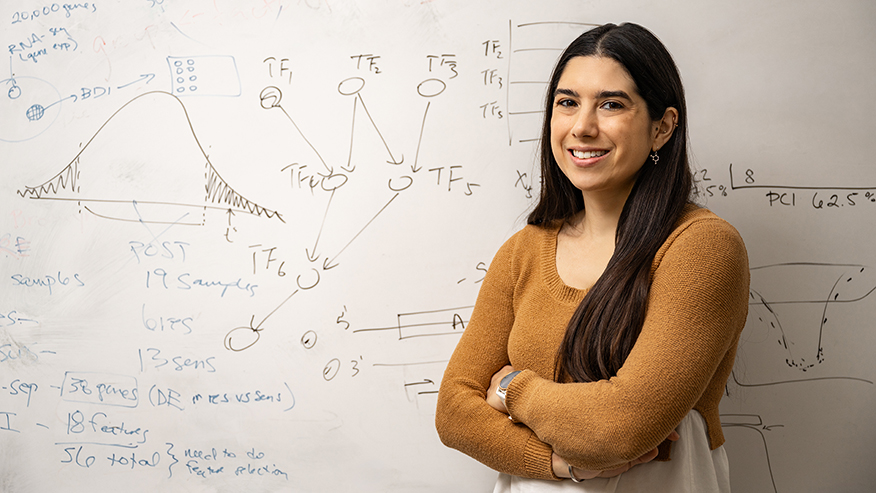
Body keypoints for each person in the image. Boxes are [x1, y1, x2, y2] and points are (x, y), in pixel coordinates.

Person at [435, 23, 749, 492]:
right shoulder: (524, 250)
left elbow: (620, 428)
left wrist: (511, 388)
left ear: (661, 127)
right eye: (567, 102)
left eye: (611, 104)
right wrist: (563, 465)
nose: (582, 126)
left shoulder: (701, 248)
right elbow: (453, 413)